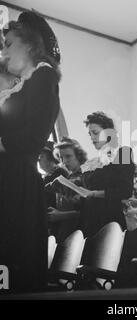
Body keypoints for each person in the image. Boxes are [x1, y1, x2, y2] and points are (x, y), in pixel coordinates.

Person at [0, 11, 61, 293]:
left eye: (9, 43)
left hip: (17, 183)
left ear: (30, 44)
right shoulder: (20, 86)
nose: (4, 50)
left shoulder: (43, 75)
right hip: (8, 179)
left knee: (14, 263)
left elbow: (34, 135)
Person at [80, 111, 135, 237]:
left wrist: (94, 194)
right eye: (90, 134)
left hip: (109, 219)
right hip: (89, 219)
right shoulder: (94, 162)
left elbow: (125, 190)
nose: (92, 138)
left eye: (95, 133)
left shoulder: (123, 153)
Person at [47, 137, 87, 241]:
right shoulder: (68, 178)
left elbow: (91, 211)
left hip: (81, 233)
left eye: (68, 156)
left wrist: (61, 215)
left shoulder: (88, 176)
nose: (64, 161)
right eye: (61, 158)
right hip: (66, 231)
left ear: (79, 156)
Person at [39, 141, 68, 208]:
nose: (39, 159)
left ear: (51, 157)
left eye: (41, 156)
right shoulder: (47, 177)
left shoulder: (59, 174)